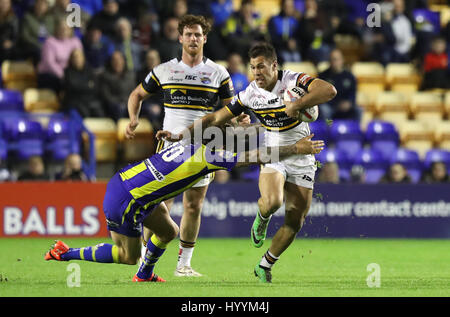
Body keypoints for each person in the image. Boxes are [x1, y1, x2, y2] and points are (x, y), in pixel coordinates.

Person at [157, 42, 336, 283]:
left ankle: (265, 264)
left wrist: (297, 104)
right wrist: (181, 134)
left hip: (303, 155)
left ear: (274, 65)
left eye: (261, 67)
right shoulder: (250, 93)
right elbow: (215, 117)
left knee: (296, 220)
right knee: (273, 202)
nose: (256, 72)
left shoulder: (294, 80)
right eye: (252, 68)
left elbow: (329, 91)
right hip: (273, 151)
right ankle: (262, 219)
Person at [44, 131, 325, 282]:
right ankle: (66, 253)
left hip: (128, 185)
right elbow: (256, 155)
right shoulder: (208, 156)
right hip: (126, 200)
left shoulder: (190, 144)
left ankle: (145, 275)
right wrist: (294, 149)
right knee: (127, 254)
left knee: (168, 231)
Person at [125, 14, 245, 277]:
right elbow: (136, 95)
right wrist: (134, 118)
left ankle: (184, 264)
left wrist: (240, 118)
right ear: (180, 38)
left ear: (205, 38)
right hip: (170, 146)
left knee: (194, 205)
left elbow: (230, 111)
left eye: (198, 34)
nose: (193, 38)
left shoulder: (218, 73)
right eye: (188, 34)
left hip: (204, 146)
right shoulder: (165, 70)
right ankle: (146, 258)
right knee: (160, 205)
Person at [37, 18, 83, 92]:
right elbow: (49, 63)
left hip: (69, 75)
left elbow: (80, 59)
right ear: (56, 29)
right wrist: (63, 76)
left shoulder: (75, 41)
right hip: (50, 74)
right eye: (61, 28)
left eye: (67, 29)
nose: (64, 31)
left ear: (71, 30)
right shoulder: (50, 42)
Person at [318, 48, 360, 121]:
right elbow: (321, 96)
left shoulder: (350, 77)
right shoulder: (323, 76)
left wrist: (349, 102)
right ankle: (328, 128)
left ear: (342, 60)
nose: (334, 62)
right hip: (330, 106)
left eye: (336, 59)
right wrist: (335, 104)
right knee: (324, 109)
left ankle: (355, 130)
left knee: (359, 110)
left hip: (346, 106)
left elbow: (353, 93)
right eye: (332, 59)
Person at [62, 48, 105, 118]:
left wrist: (80, 84)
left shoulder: (89, 70)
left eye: (79, 56)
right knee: (83, 112)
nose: (77, 59)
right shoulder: (67, 72)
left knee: (100, 112)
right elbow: (73, 87)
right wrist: (88, 85)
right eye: (75, 57)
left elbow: (95, 87)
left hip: (89, 101)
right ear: (71, 59)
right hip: (74, 102)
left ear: (83, 58)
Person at [99, 51, 136, 121]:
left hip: (128, 103)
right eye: (114, 60)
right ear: (111, 62)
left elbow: (134, 93)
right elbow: (106, 96)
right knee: (120, 109)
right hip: (113, 106)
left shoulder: (130, 75)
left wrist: (127, 103)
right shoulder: (105, 76)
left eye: (119, 59)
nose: (117, 62)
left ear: (123, 61)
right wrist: (121, 102)